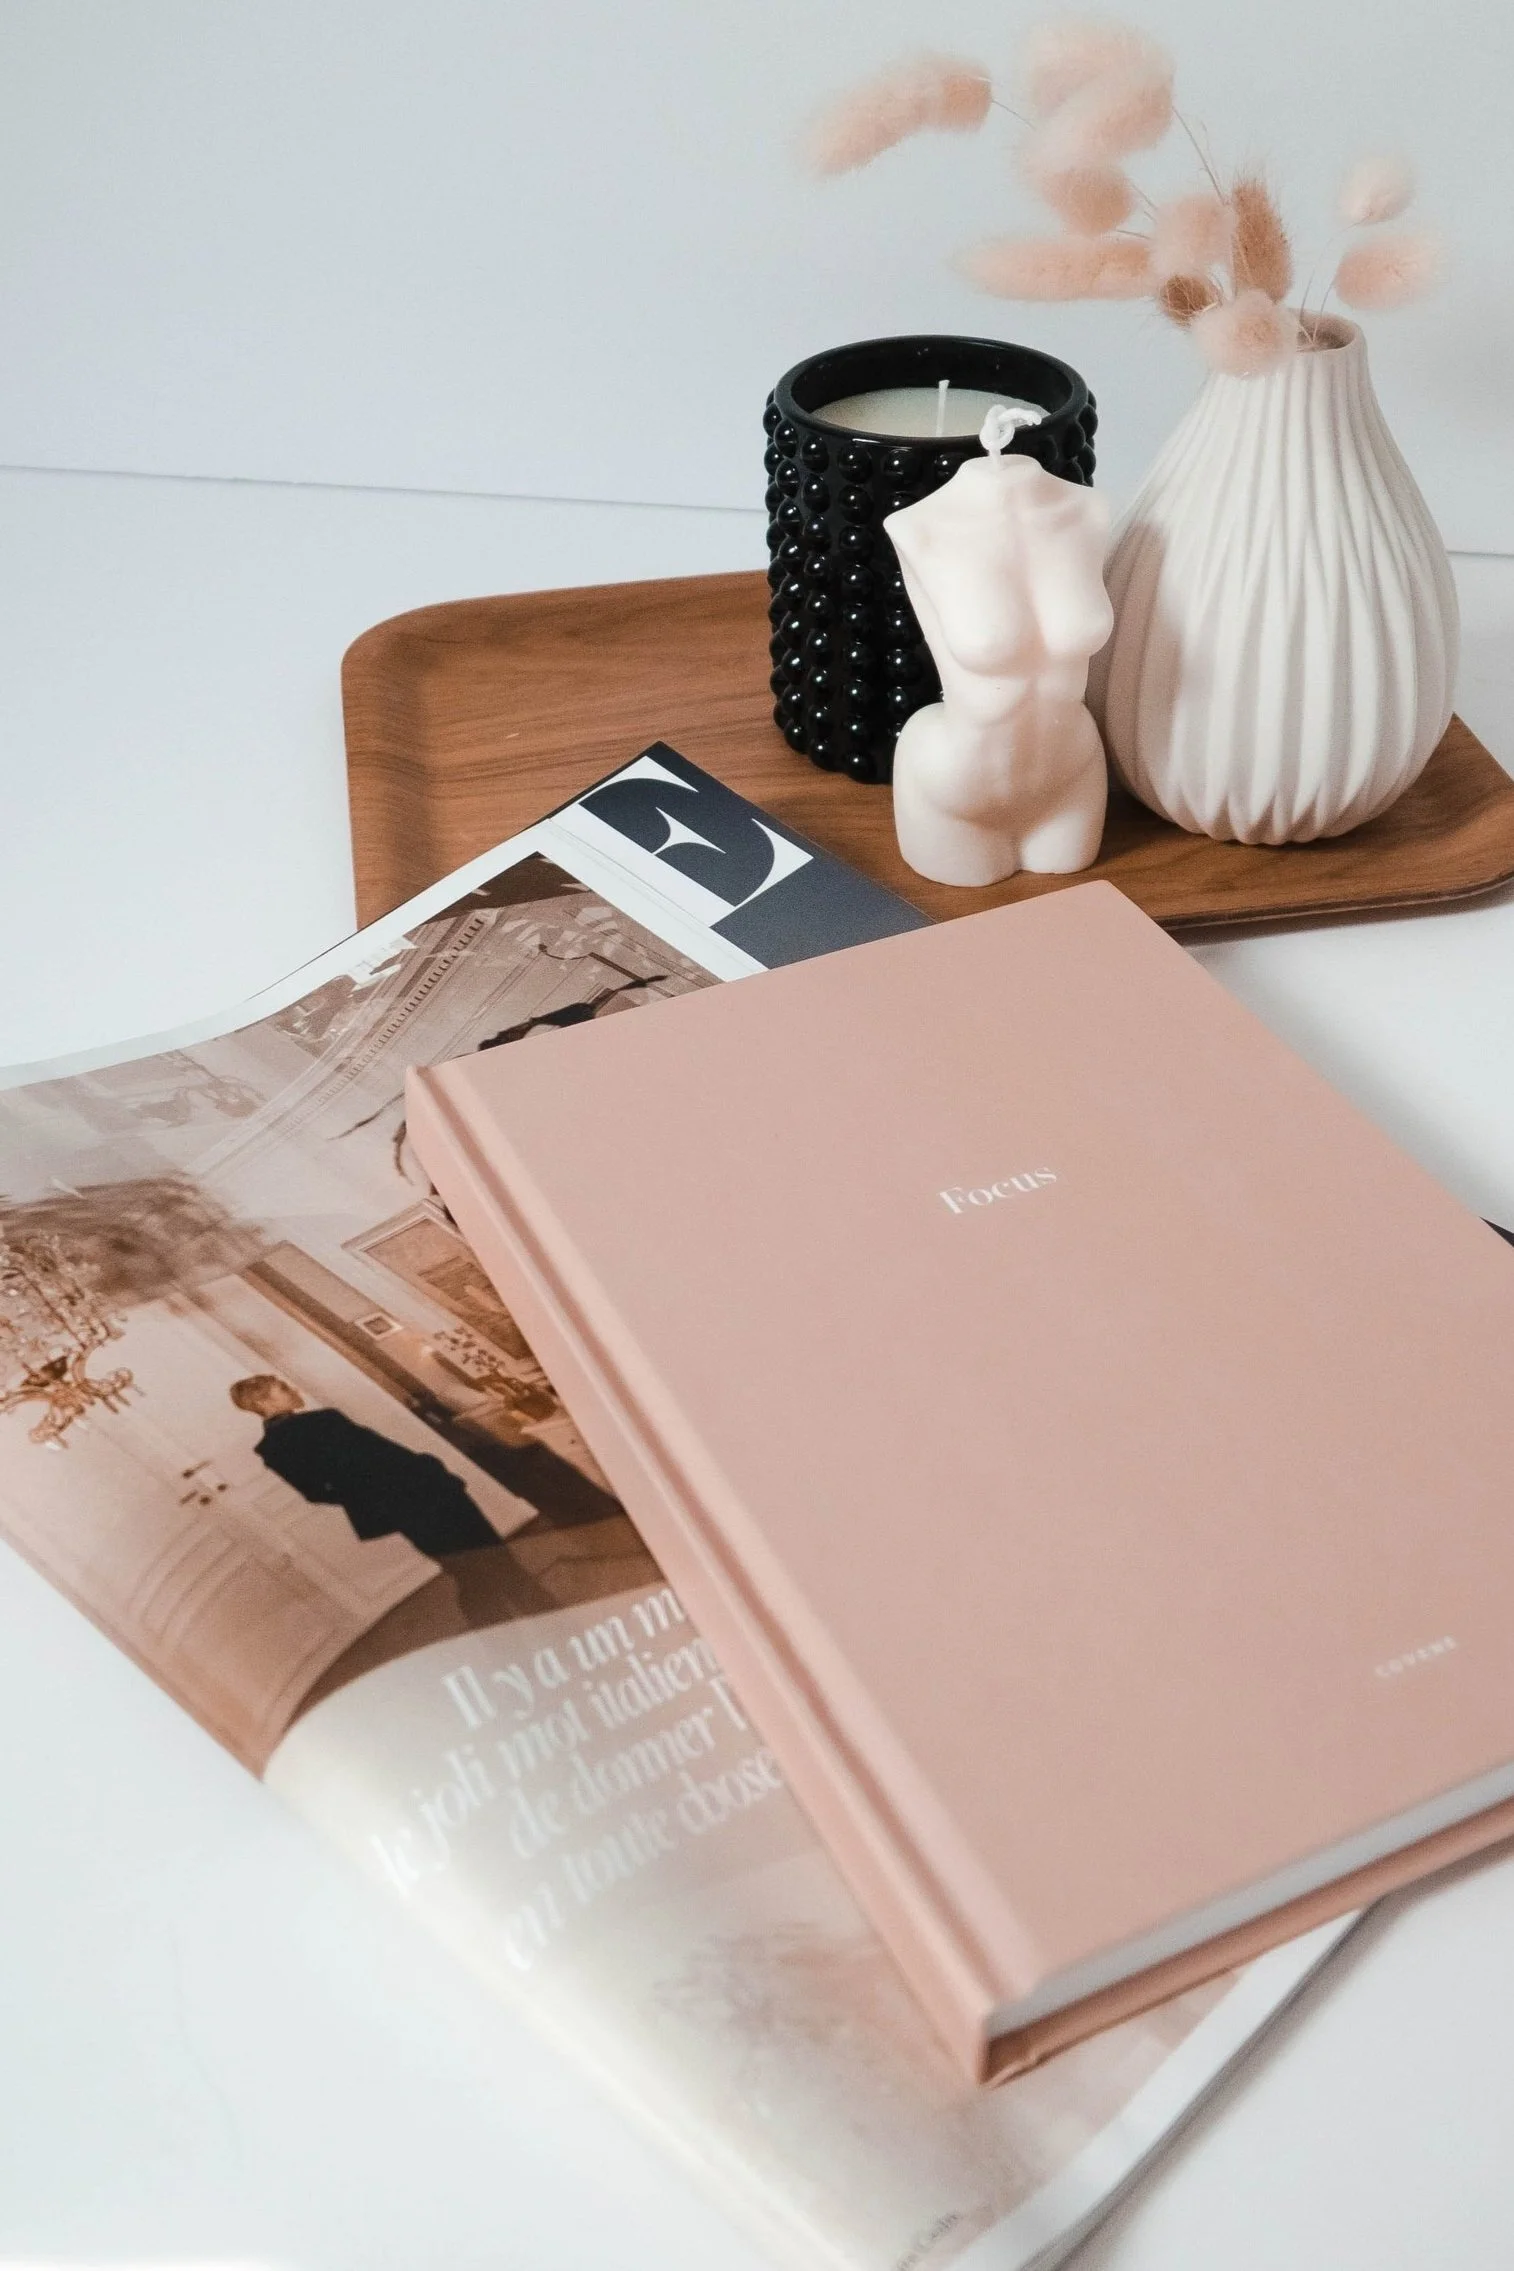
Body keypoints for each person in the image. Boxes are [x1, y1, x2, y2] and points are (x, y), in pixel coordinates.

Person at [230, 1374, 502, 1557]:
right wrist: (428, 1469)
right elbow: (385, 1456)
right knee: (495, 1557)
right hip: (426, 1494)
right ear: (263, 1402)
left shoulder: (270, 1449)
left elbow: (316, 1493)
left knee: (465, 1570)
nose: (294, 1391)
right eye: (284, 1389)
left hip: (394, 1511)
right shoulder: (325, 1420)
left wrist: (370, 1497)